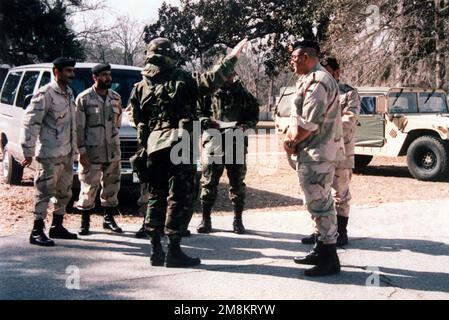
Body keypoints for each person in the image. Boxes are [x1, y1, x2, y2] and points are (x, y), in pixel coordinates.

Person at [128, 37, 248, 268]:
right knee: (178, 197)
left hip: (153, 145)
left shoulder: (140, 87)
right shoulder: (182, 78)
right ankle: (173, 250)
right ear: (170, 54)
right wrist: (232, 57)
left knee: (156, 194)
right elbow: (211, 80)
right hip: (180, 142)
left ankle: (155, 250)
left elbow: (136, 118)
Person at [284, 41, 345, 277]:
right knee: (315, 202)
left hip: (317, 153)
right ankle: (321, 249)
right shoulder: (310, 78)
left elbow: (310, 122)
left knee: (320, 204)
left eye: (294, 57)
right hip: (313, 152)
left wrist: (292, 142)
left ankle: (329, 258)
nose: (292, 61)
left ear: (306, 56)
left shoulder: (318, 80)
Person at [302, 57, 361, 247]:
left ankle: (341, 232)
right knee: (319, 192)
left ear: (337, 73)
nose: (323, 74)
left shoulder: (349, 94)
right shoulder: (316, 91)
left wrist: (320, 126)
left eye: (328, 71)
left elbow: (349, 120)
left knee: (340, 192)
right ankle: (320, 232)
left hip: (341, 151)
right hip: (320, 151)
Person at [21, 57, 79, 247]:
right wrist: (27, 150)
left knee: (64, 192)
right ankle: (36, 231)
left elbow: (72, 126)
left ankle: (57, 226)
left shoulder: (69, 93)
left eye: (72, 71)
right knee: (44, 192)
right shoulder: (45, 93)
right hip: (49, 153)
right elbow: (31, 122)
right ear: (56, 71)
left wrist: (75, 150)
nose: (72, 74)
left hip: (67, 153)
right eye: (68, 71)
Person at [197, 72, 259, 235]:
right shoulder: (208, 94)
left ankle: (238, 220)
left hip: (236, 142)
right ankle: (206, 219)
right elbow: (197, 113)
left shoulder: (244, 95)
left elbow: (253, 117)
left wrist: (245, 126)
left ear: (234, 75)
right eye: (224, 74)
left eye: (229, 74)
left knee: (237, 184)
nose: (226, 77)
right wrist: (207, 122)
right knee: (209, 182)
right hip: (213, 142)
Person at [75, 63, 124, 235]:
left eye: (109, 75)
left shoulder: (116, 97)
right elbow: (78, 128)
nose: (108, 78)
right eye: (104, 75)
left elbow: (117, 124)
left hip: (112, 150)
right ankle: (85, 221)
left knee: (112, 186)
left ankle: (108, 219)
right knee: (88, 186)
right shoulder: (84, 98)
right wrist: (81, 151)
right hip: (92, 151)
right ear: (95, 78)